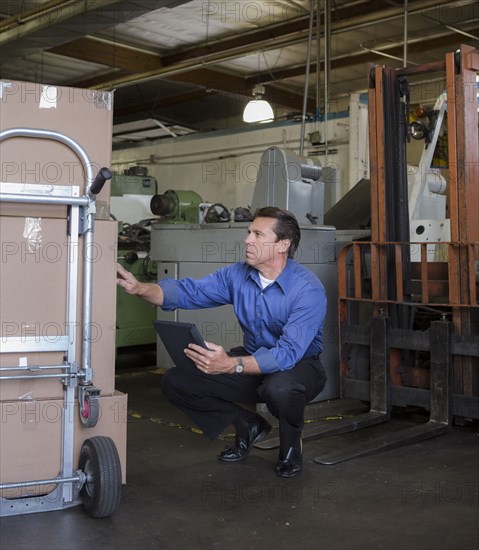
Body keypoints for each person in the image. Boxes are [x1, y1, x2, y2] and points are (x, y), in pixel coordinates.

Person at [116, 206, 327, 477]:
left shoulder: (307, 289)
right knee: (177, 381)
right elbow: (188, 292)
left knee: (280, 388)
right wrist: (140, 287)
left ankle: (290, 449)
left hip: (300, 366)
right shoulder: (236, 275)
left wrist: (230, 365)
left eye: (258, 235)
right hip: (251, 359)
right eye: (249, 232)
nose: (247, 239)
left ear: (282, 245)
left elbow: (286, 355)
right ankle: (247, 425)